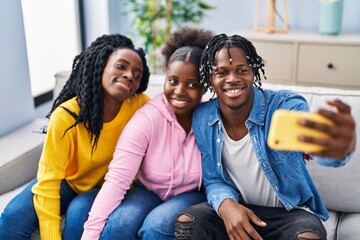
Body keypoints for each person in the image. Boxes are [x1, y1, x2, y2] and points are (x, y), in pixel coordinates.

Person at [174, 33, 356, 240]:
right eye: (222, 72)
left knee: (308, 236)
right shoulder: (203, 117)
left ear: (253, 72)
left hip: (289, 214)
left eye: (241, 70)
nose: (232, 79)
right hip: (239, 209)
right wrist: (226, 205)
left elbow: (313, 142)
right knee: (189, 221)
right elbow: (214, 178)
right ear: (210, 80)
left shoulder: (285, 105)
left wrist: (337, 149)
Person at [0, 34, 151, 240]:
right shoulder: (66, 115)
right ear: (101, 65)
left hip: (108, 186)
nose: (129, 76)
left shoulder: (141, 106)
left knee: (78, 213)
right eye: (121, 66)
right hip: (67, 182)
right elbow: (49, 183)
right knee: (12, 217)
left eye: (137, 74)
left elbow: (174, 109)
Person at [81, 27, 214, 240]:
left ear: (205, 87)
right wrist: (89, 236)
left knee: (157, 225)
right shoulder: (147, 119)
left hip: (192, 194)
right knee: (119, 226)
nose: (179, 91)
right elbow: (117, 180)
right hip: (149, 191)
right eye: (173, 81)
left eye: (192, 84)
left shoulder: (212, 117)